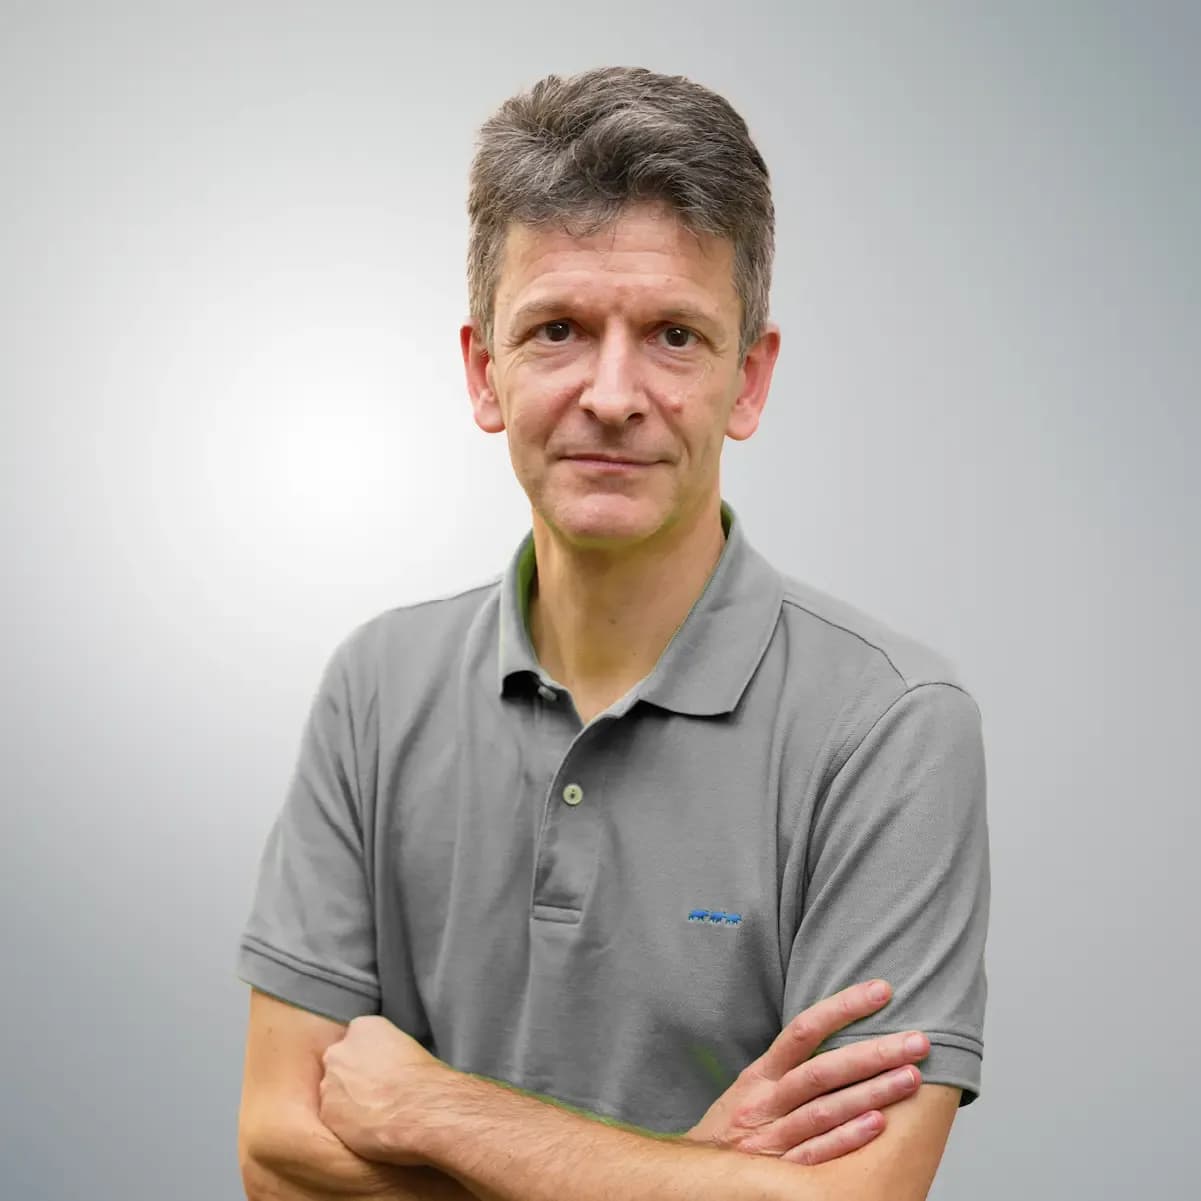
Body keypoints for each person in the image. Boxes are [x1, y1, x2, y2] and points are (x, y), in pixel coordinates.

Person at [235, 66, 989, 1201]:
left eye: (675, 335)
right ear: (484, 372)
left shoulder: (887, 728)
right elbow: (273, 1153)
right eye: (558, 330)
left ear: (749, 380)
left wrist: (436, 1109)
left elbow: (855, 1198)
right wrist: (685, 1175)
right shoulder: (375, 687)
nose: (613, 392)